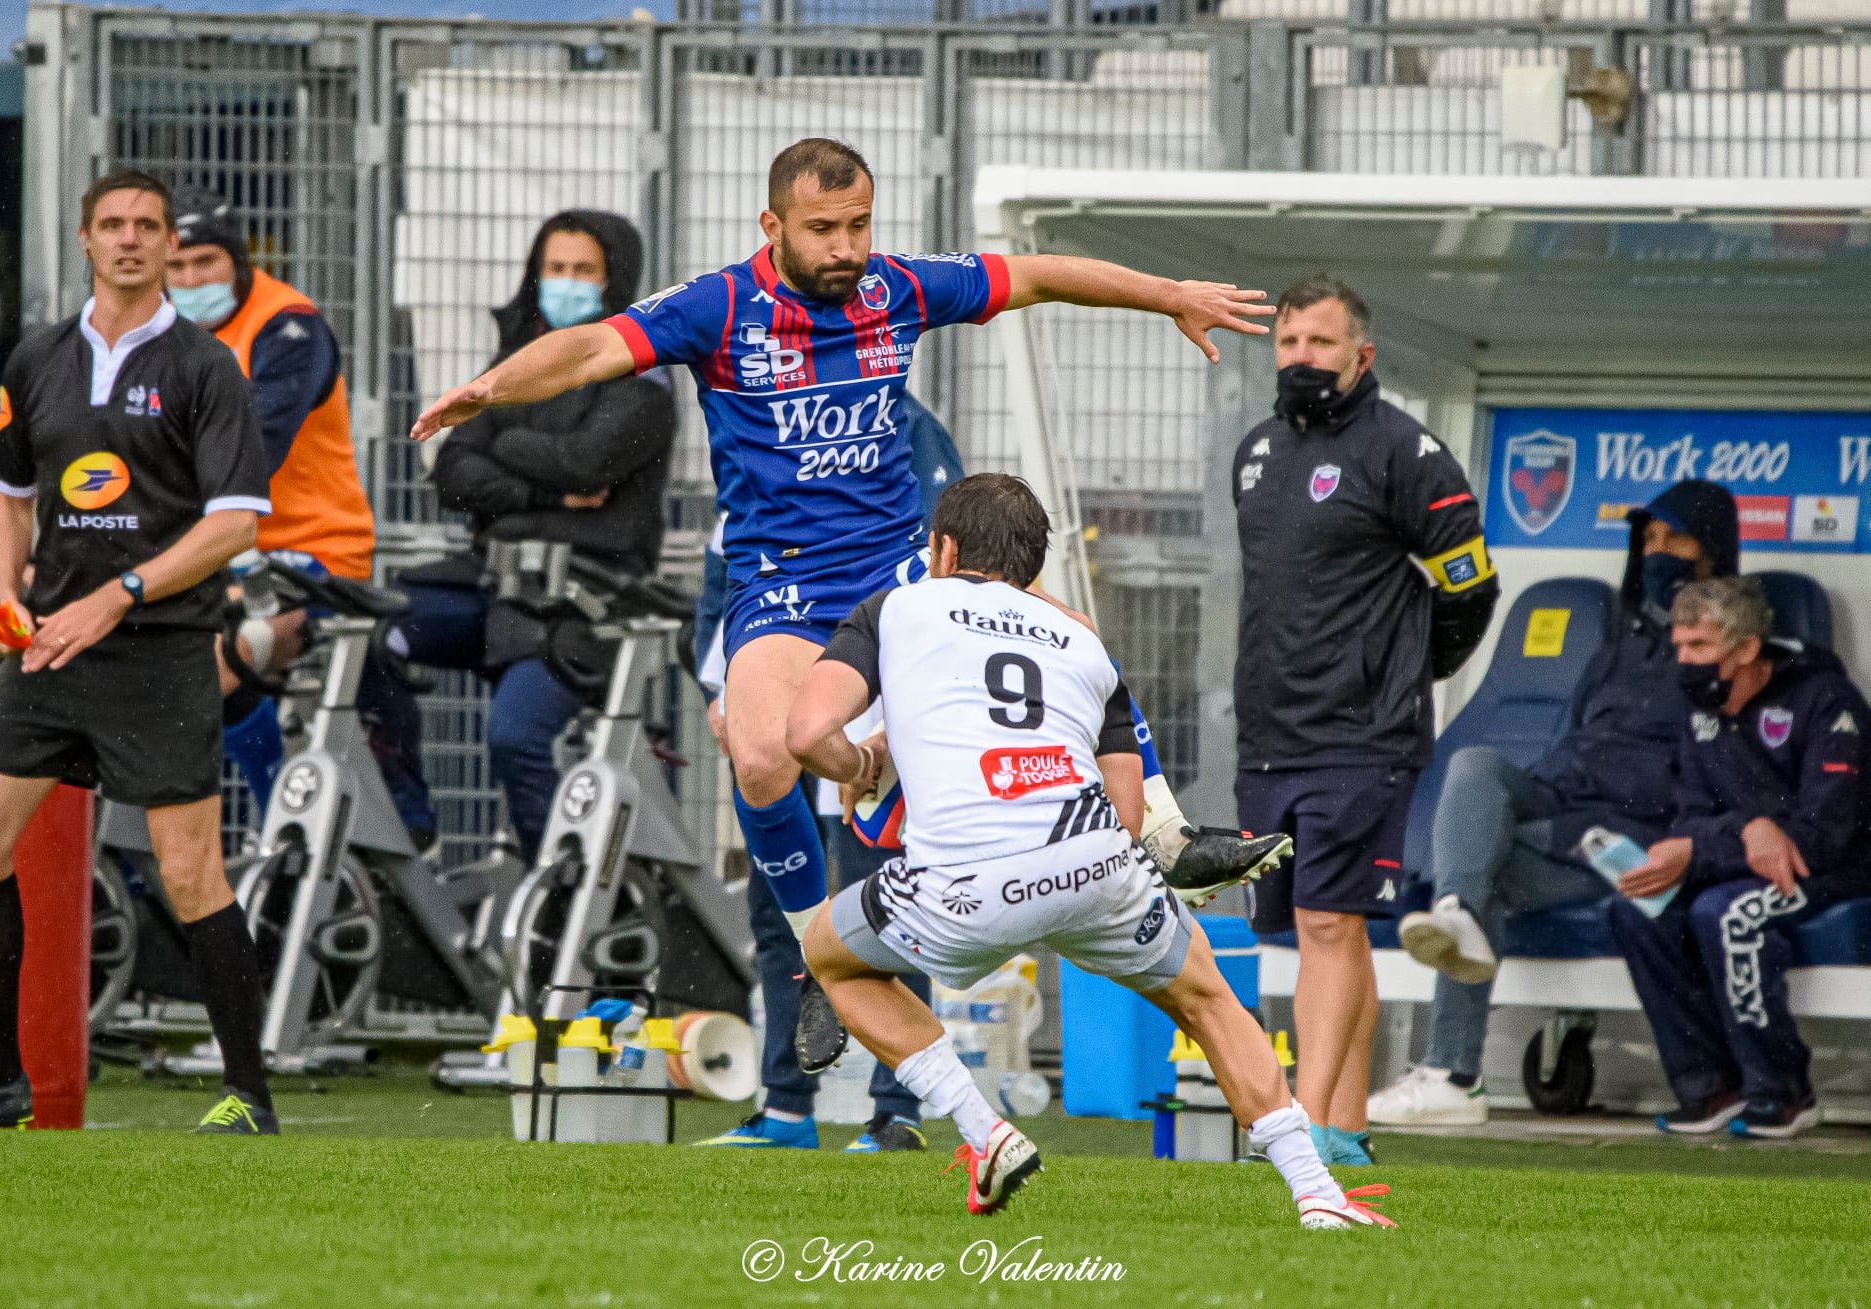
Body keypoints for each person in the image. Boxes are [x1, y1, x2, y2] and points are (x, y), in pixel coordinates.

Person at [410, 139, 1284, 1065]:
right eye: (822, 229)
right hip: (784, 582)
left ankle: (1163, 830)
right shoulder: (719, 306)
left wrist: (1170, 296)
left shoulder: (898, 289)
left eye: (858, 224)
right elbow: (596, 344)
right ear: (772, 226)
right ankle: (818, 955)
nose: (844, 247)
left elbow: (1035, 275)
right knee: (757, 761)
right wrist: (491, 389)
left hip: (902, 570)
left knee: (1065, 629)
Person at [787, 474, 1391, 1228]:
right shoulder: (1080, 637)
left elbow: (807, 734)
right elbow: (1126, 806)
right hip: (1096, 867)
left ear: (940, 549)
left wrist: (865, 766)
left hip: (961, 884)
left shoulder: (897, 607)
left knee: (828, 954)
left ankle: (985, 1134)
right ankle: (1318, 1193)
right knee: (1206, 1000)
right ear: (1032, 568)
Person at [0, 171, 277, 1133]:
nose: (130, 240)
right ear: (83, 241)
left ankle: (248, 1095)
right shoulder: (36, 359)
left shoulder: (203, 367)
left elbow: (235, 524)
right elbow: (6, 499)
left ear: (165, 246)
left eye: (148, 226)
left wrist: (122, 593)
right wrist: (8, 594)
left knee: (191, 874)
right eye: (112, 225)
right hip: (49, 652)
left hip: (159, 653)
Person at [1370, 480, 1740, 1126]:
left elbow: (1711, 775)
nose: (1656, 553)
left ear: (1710, 550)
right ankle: (1452, 905)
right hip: (1559, 809)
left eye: (1672, 539)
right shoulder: (1614, 655)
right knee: (1474, 764)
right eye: (1647, 541)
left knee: (1486, 874)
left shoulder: (1726, 657)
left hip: (1627, 837)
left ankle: (1452, 1073)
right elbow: (1566, 748)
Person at [1231, 275, 1498, 1165]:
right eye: (1288, 342)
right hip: (1270, 736)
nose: (1301, 358)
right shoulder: (1257, 452)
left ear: (1361, 355)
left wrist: (1403, 675)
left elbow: (1470, 589)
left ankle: (1305, 1133)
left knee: (1328, 923)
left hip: (1361, 738)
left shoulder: (1406, 452)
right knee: (1309, 926)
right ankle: (1344, 1128)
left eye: (1320, 343)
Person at [689, 393, 959, 1152]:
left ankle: (896, 1110)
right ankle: (785, 1108)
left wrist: (898, 710)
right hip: (779, 721)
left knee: (892, 915)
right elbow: (723, 577)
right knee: (781, 922)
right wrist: (723, 691)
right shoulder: (757, 427)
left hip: (874, 729)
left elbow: (941, 581)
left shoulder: (908, 429)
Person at [362, 209, 674, 858]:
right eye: (553, 269)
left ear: (614, 279)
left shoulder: (644, 379)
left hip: (579, 602)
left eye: (582, 270)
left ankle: (559, 875)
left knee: (514, 736)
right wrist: (547, 489)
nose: (565, 282)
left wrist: (501, 437)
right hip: (489, 587)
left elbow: (591, 461)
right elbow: (449, 474)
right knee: (372, 633)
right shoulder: (513, 363)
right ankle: (407, 830)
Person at [1613, 576, 1869, 1139]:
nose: (1684, 661)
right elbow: (1689, 818)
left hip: (1834, 869)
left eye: (1699, 647)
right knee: (1638, 907)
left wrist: (1728, 841)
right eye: (1679, 646)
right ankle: (1710, 1085)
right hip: (1739, 861)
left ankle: (1782, 1090)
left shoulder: (1827, 701)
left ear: (1747, 649)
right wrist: (1746, 830)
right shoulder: (1697, 711)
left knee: (1728, 913)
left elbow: (1823, 837)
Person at [164, 188, 378, 811]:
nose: (190, 279)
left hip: (311, 557)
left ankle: (270, 822)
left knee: (210, 664)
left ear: (236, 259)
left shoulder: (287, 325)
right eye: (175, 267)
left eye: (204, 262)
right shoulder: (154, 332)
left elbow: (254, 450)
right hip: (204, 555)